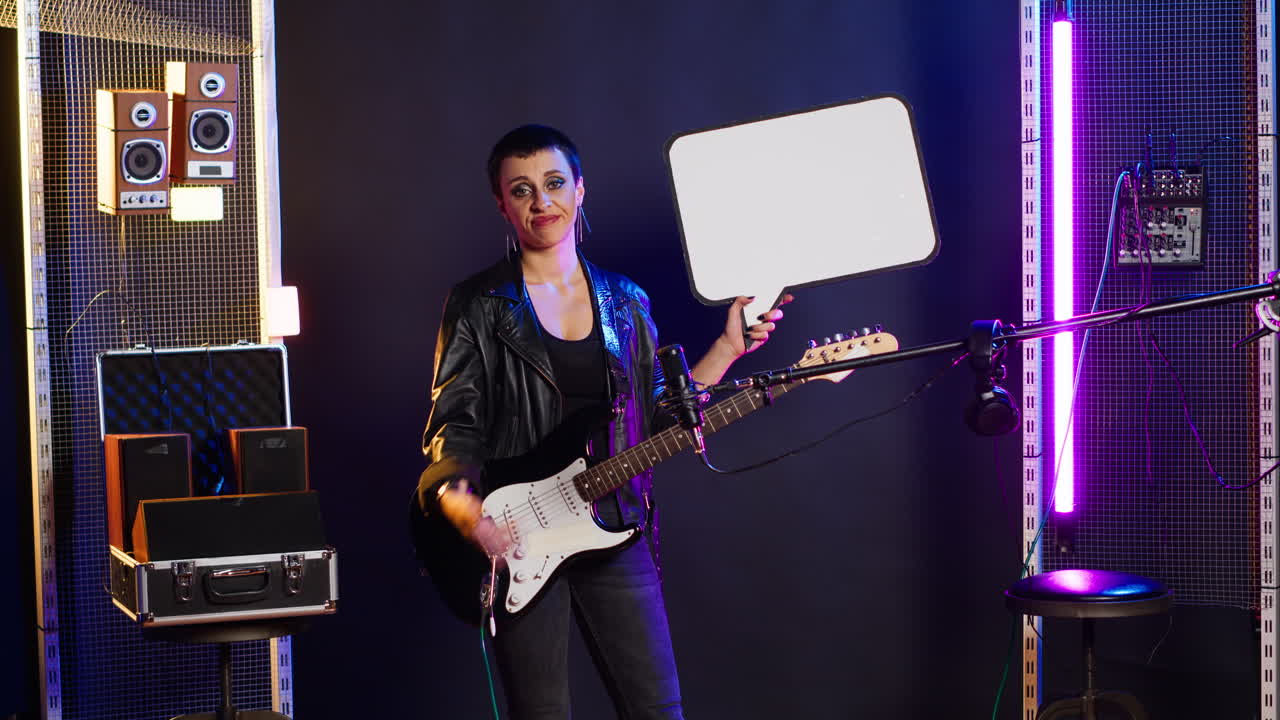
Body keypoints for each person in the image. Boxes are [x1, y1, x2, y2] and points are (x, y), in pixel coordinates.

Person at [416, 124, 789, 719]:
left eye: (555, 183)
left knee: (657, 711)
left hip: (615, 521)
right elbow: (453, 423)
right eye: (522, 190)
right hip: (520, 532)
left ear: (581, 190)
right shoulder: (477, 305)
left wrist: (726, 350)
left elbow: (664, 410)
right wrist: (462, 506)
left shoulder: (626, 300)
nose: (542, 203)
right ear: (501, 203)